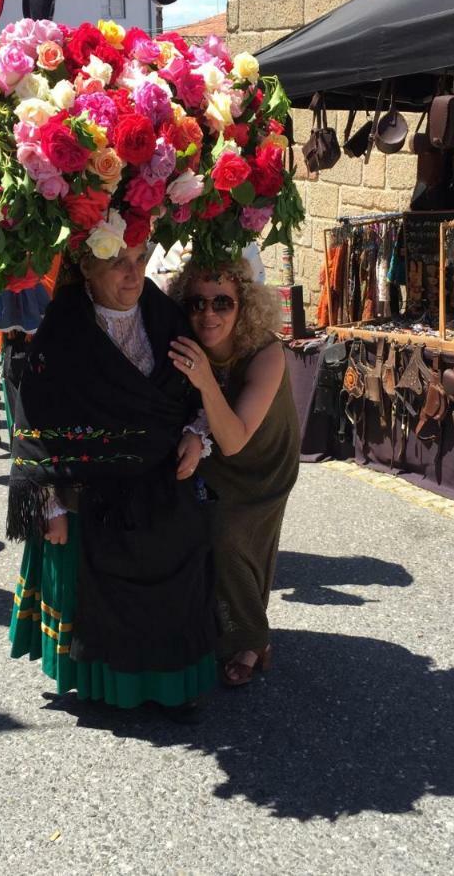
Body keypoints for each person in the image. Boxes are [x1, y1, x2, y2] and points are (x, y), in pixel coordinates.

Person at [6, 243, 216, 722]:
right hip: (92, 494)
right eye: (118, 261)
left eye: (140, 259)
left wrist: (195, 433)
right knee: (103, 596)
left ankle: (171, 686)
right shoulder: (63, 330)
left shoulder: (165, 316)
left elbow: (194, 390)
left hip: (162, 486)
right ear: (85, 266)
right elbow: (35, 416)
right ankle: (106, 687)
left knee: (172, 586)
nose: (133, 272)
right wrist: (48, 500)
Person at [166, 258, 300, 686]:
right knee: (207, 533)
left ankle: (252, 640)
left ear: (244, 305)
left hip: (263, 461)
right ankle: (226, 626)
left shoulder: (266, 351)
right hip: (216, 449)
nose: (209, 314)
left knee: (235, 538)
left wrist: (205, 380)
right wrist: (192, 430)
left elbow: (236, 438)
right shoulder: (186, 341)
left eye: (223, 302)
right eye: (198, 303)